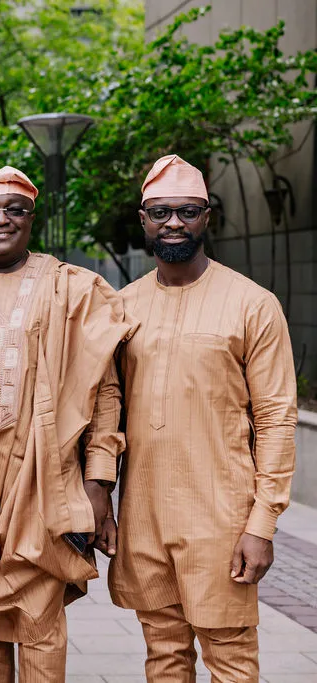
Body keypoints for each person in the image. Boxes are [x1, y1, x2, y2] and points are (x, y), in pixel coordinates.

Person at [0, 167, 135, 682]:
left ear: (31, 219)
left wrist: (98, 482)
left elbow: (105, 391)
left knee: (40, 623)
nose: (1, 218)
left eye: (14, 209)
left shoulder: (72, 288)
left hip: (46, 482)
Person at [107, 155, 297, 682]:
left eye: (187, 211)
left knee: (232, 662)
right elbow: (105, 416)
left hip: (222, 522)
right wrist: (101, 502)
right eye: (161, 212)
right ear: (143, 219)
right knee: (164, 659)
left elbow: (278, 419)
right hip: (144, 519)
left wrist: (261, 525)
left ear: (206, 217)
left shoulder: (253, 305)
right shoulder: (122, 307)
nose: (174, 223)